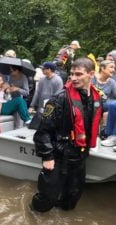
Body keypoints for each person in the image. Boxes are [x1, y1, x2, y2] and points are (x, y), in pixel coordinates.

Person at [31, 57, 103, 212]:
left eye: (79, 74)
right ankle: (33, 215)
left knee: (72, 198)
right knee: (46, 198)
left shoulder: (96, 98)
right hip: (58, 154)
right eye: (72, 74)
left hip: (80, 156)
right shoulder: (59, 98)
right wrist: (47, 156)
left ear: (91, 74)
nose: (73, 78)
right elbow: (42, 132)